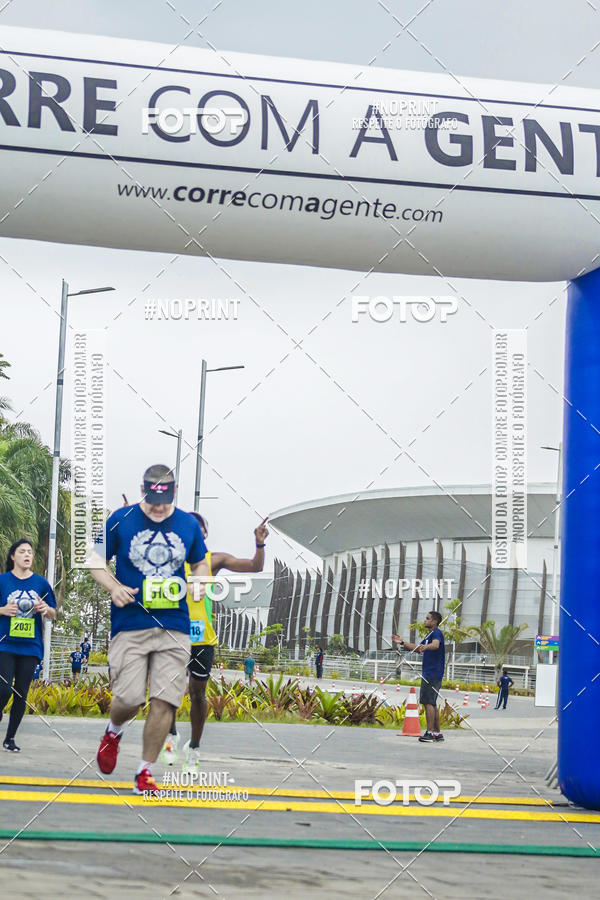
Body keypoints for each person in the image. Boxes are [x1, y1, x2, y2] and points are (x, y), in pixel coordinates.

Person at [89, 463, 208, 795]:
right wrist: (113, 586)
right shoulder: (122, 519)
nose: (159, 508)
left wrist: (199, 581)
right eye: (154, 500)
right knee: (128, 698)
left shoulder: (186, 523)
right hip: (131, 623)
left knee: (165, 700)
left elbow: (200, 561)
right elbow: (96, 559)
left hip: (175, 626)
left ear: (173, 493)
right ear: (143, 491)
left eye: (165, 500)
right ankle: (114, 730)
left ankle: (144, 771)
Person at [163, 514, 269, 770]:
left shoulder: (213, 560)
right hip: (173, 634)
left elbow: (254, 567)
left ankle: (194, 748)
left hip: (202, 638)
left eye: (198, 531)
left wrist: (259, 544)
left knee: (198, 694)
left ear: (205, 536)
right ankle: (171, 736)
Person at [0, 539, 57, 751]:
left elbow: (53, 612)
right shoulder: (3, 581)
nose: (27, 555)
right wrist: (3, 610)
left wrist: (45, 609)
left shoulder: (41, 583)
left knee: (21, 693)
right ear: (12, 556)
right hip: (5, 644)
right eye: (22, 551)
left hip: (30, 646)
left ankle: (10, 739)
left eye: (30, 552)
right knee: (4, 688)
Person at [392, 610, 446, 743]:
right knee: (432, 703)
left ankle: (429, 733)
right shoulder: (430, 634)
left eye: (427, 619)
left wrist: (426, 647)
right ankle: (437, 733)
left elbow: (435, 645)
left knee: (428, 703)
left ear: (434, 622)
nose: (425, 621)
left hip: (432, 673)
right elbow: (417, 648)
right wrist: (402, 643)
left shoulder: (437, 633)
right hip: (431, 673)